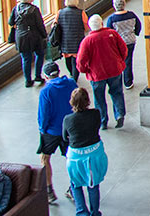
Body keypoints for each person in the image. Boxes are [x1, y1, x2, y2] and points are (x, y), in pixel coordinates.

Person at [77, 14, 128, 129]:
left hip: (97, 74)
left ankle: (102, 121)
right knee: (117, 92)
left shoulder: (87, 41)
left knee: (99, 98)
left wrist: (84, 70)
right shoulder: (112, 34)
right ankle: (119, 114)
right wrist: (120, 61)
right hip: (114, 69)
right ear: (101, 23)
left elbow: (81, 60)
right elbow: (123, 48)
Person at [37, 61, 78, 204]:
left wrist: (42, 130)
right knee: (71, 158)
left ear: (46, 76)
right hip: (69, 129)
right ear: (58, 72)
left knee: (45, 158)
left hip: (52, 131)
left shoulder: (46, 92)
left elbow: (43, 115)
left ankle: (49, 191)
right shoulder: (71, 84)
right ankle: (74, 189)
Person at [63, 88, 108, 216]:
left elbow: (64, 136)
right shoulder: (95, 114)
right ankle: (95, 212)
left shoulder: (68, 119)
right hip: (94, 154)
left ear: (72, 102)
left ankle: (82, 211)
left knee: (75, 184)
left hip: (75, 157)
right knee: (93, 184)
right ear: (87, 101)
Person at [9, 0, 46, 87]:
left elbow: (10, 22)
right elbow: (39, 24)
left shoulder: (16, 9)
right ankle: (38, 75)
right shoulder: (34, 10)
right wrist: (44, 35)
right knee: (40, 54)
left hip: (21, 36)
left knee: (26, 59)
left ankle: (28, 80)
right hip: (34, 36)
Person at [105, 0, 141, 89]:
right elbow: (138, 25)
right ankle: (128, 82)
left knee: (118, 62)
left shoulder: (112, 19)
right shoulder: (131, 15)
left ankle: (118, 81)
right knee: (128, 61)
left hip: (118, 43)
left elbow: (109, 32)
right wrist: (135, 33)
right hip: (130, 41)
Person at [51, 0, 88, 82]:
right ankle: (74, 78)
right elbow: (86, 26)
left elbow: (54, 25)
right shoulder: (81, 13)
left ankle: (71, 73)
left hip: (65, 40)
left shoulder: (60, 12)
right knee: (76, 60)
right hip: (77, 39)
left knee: (67, 59)